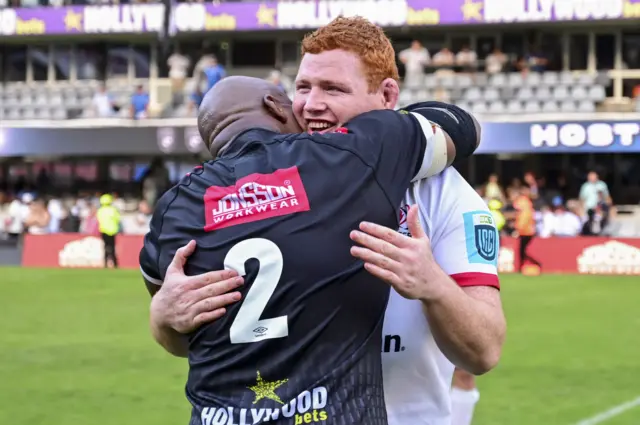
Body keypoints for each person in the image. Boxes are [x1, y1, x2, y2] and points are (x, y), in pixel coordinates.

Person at [148, 17, 504, 425]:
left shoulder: (443, 192)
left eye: (333, 89)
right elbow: (187, 335)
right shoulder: (267, 190)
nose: (311, 105)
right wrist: (162, 318)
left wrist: (433, 285)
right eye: (302, 87)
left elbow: (484, 351)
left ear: (387, 95)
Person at [97, 194, 120, 269]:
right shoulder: (113, 209)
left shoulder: (100, 210)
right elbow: (118, 219)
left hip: (103, 231)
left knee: (105, 247)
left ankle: (105, 263)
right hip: (112, 231)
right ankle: (115, 263)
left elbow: (98, 220)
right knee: (112, 248)